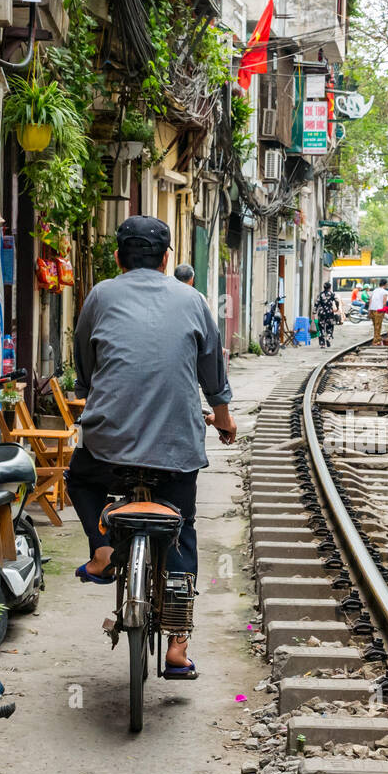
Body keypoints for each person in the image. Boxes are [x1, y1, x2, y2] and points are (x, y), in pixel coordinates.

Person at [67, 215, 236, 680]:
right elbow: (212, 374)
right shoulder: (194, 300)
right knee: (182, 529)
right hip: (176, 444)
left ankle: (102, 550)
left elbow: (84, 364)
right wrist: (223, 420)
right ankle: (178, 648)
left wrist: (93, 387)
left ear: (119, 258)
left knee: (80, 480)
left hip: (107, 445)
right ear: (166, 260)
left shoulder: (100, 295)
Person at [314, 281, 340, 348]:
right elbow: (337, 301)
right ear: (330, 287)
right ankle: (328, 337)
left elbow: (316, 303)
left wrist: (314, 311)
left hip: (321, 313)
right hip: (329, 313)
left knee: (321, 328)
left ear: (324, 287)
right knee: (330, 327)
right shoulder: (332, 294)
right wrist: (337, 307)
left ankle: (322, 344)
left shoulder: (320, 294)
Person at [369, 279, 388, 345]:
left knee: (375, 325)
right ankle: (376, 341)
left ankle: (377, 338)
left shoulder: (375, 290)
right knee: (378, 325)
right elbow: (384, 303)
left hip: (372, 309)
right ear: (385, 284)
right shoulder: (385, 292)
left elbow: (370, 300)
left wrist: (369, 310)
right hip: (379, 310)